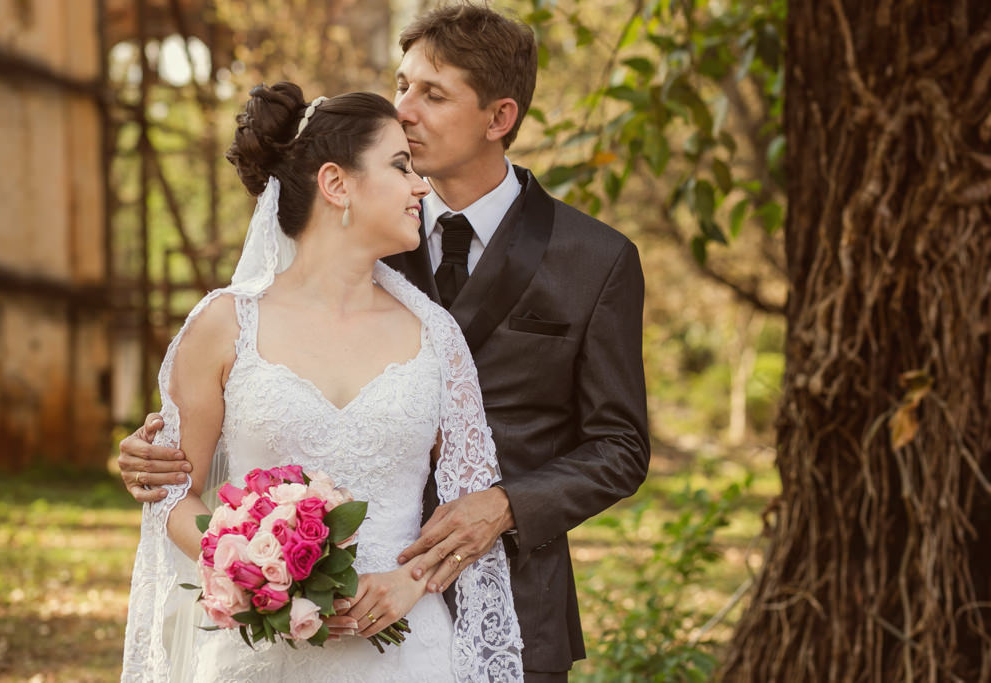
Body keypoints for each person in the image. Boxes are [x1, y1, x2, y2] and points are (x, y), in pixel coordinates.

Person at [120, 3, 650, 680]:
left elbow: (622, 445)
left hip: (511, 602)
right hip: (299, 616)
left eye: (432, 93)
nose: (404, 110)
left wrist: (506, 504)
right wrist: (160, 458)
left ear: (500, 117)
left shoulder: (595, 259)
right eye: (401, 85)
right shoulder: (358, 225)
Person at [121, 85, 523, 681]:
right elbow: (174, 494)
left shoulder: (435, 337)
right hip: (257, 657)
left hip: (406, 655)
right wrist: (256, 572)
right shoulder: (223, 325)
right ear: (337, 185)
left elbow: (471, 510)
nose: (420, 186)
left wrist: (411, 583)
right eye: (399, 166)